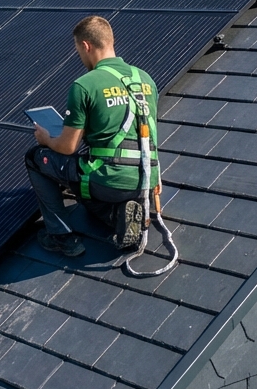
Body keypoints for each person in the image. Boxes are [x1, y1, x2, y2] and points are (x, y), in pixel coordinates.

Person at [26, 15, 159, 258]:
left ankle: (61, 235)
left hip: (108, 181)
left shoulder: (85, 85)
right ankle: (120, 217)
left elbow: (67, 147)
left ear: (85, 45)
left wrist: (46, 140)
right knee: (92, 197)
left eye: (78, 50)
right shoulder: (145, 79)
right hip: (146, 179)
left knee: (36, 158)